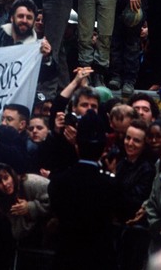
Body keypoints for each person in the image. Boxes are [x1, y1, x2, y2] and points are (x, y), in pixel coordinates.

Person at [48, 109, 118, 270]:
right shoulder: (110, 184)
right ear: (102, 149)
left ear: (77, 146)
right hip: (100, 260)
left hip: (66, 259)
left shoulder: (59, 181)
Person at [114, 119, 156, 270]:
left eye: (136, 141)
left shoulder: (147, 169)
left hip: (132, 230)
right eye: (128, 138)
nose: (130, 143)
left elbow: (135, 202)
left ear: (144, 144)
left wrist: (113, 181)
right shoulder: (119, 161)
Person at [0, 162, 51, 244]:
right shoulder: (4, 198)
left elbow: (57, 200)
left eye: (6, 178)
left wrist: (30, 207)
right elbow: (18, 232)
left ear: (12, 175)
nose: (5, 184)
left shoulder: (31, 182)